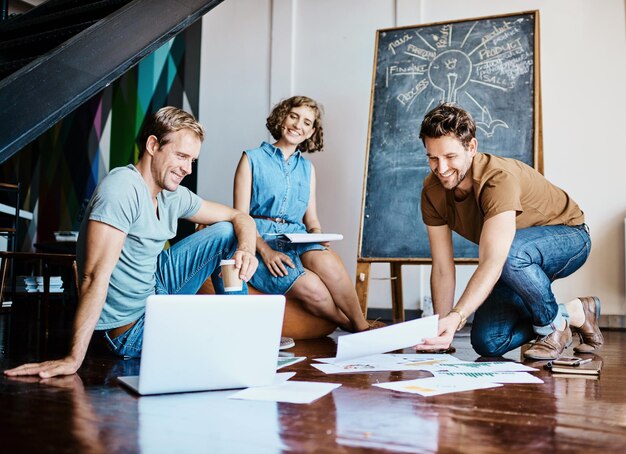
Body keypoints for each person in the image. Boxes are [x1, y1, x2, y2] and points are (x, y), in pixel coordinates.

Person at [4, 106, 259, 378]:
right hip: (130, 329)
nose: (187, 168)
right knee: (213, 338)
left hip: (156, 290)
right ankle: (236, 337)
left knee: (226, 232)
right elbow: (93, 276)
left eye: (192, 160)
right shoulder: (122, 190)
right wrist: (73, 359)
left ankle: (239, 329)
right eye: (182, 156)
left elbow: (239, 217)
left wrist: (246, 249)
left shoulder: (171, 194)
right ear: (153, 145)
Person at [413, 103, 603, 360]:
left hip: (570, 237)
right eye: (433, 158)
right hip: (515, 259)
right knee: (488, 341)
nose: (442, 168)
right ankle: (575, 312)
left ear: (471, 148)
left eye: (450, 157)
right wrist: (442, 330)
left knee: (511, 253)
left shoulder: (497, 179)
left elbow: (493, 261)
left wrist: (459, 316)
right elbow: (443, 267)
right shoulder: (432, 191)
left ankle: (555, 327)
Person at [231, 96, 379, 334]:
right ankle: (356, 328)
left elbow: (311, 220)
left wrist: (317, 236)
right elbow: (241, 218)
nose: (298, 125)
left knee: (328, 262)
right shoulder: (251, 159)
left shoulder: (307, 169)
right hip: (261, 239)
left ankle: (361, 324)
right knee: (314, 289)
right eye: (294, 116)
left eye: (307, 122)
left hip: (298, 238)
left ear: (311, 133)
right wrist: (266, 252)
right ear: (282, 118)